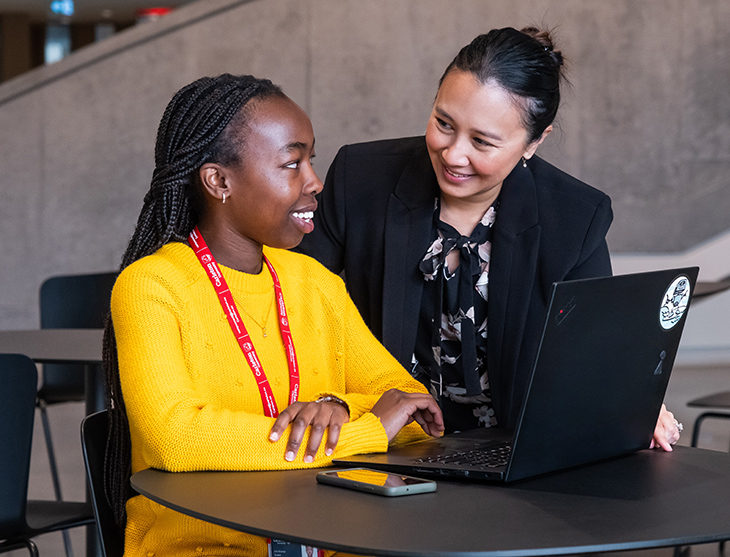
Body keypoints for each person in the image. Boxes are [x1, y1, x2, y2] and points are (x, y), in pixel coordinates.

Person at [102, 74, 444, 557]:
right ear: (219, 180)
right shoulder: (151, 286)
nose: (315, 182)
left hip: (328, 538)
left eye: (311, 160)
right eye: (291, 163)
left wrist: (338, 406)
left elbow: (414, 408)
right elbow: (175, 439)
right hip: (206, 547)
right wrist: (362, 430)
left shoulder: (315, 281)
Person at [297, 27, 682, 447]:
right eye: (443, 123)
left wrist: (628, 400)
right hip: (384, 438)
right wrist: (330, 398)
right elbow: (302, 303)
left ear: (535, 142)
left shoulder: (575, 217)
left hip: (514, 447)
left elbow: (595, 350)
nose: (453, 154)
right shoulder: (362, 177)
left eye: (482, 141)